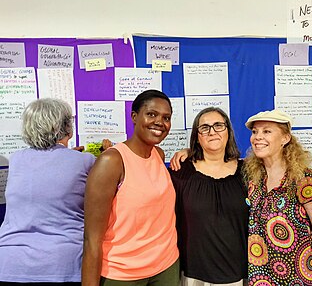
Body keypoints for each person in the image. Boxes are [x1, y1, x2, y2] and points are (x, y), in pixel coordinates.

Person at [82, 89, 179, 286]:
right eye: (151, 114)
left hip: (166, 266)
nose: (160, 122)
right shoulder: (112, 161)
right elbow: (91, 240)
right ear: (134, 117)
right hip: (123, 274)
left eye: (166, 117)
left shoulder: (158, 155)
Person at [0, 98, 96, 285]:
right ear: (66, 126)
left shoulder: (17, 159)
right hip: (62, 265)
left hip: (9, 264)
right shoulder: (85, 161)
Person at [243, 109, 312, 286]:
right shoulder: (252, 178)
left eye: (267, 131)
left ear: (285, 139)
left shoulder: (304, 179)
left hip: (299, 279)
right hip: (261, 279)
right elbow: (217, 162)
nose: (258, 137)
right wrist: (187, 152)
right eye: (255, 132)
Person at [169, 107, 248, 286]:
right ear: (197, 136)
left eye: (218, 125)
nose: (212, 132)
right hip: (193, 275)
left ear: (228, 131)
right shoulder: (180, 173)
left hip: (237, 274)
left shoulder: (249, 172)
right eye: (205, 128)